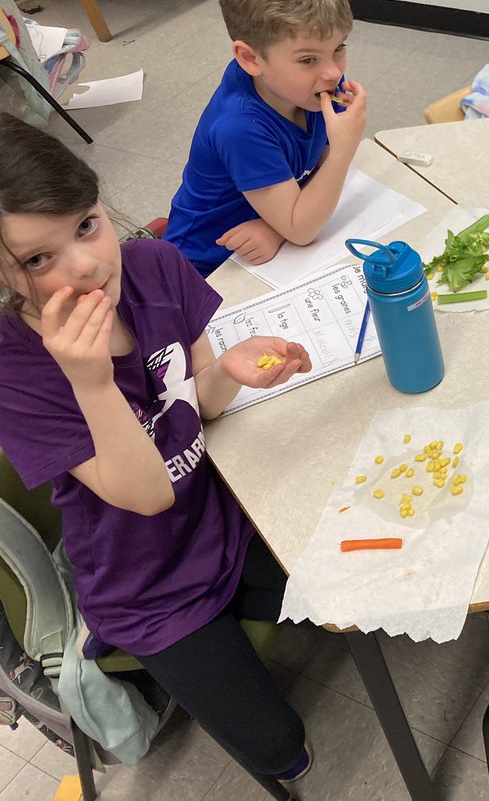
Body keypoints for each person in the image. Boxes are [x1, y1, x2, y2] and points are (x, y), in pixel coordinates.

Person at [0, 114, 316, 781]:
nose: (86, 265)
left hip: (222, 516)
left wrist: (227, 370)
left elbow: (194, 403)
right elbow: (146, 494)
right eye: (37, 259)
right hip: (146, 584)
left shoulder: (154, 265)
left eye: (87, 224)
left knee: (349, 601)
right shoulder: (16, 367)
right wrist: (89, 380)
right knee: (282, 750)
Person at [164, 0, 368, 276]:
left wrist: (277, 226)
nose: (333, 73)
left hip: (271, 235)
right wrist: (345, 149)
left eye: (338, 49)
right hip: (207, 266)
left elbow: (317, 176)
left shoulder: (309, 85)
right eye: (308, 60)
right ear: (250, 58)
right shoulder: (239, 127)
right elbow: (303, 229)